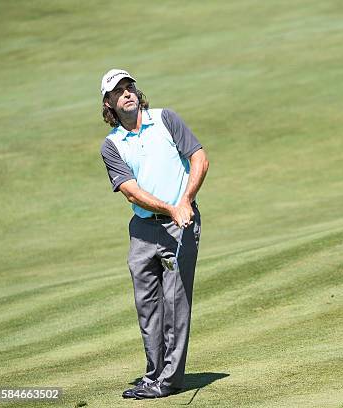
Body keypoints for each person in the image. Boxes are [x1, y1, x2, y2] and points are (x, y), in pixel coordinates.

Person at [99, 69, 209, 399]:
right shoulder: (112, 145)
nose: (127, 93)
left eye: (129, 87)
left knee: (175, 302)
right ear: (109, 104)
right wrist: (169, 206)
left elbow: (199, 158)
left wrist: (184, 201)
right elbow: (131, 192)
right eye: (118, 91)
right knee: (147, 307)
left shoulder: (166, 119)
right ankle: (154, 375)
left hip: (181, 224)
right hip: (143, 231)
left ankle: (170, 381)